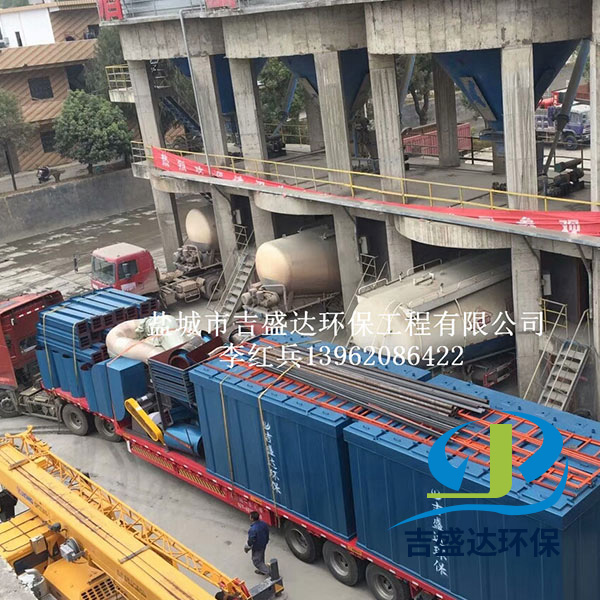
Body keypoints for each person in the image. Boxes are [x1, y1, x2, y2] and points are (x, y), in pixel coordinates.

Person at [244, 511, 270, 576]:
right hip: (263, 544)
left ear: (252, 519)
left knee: (257, 561)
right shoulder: (263, 524)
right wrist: (266, 541)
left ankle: (269, 573)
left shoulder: (253, 529)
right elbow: (267, 532)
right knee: (261, 557)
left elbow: (251, 540)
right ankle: (263, 570)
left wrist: (248, 546)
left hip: (257, 547)